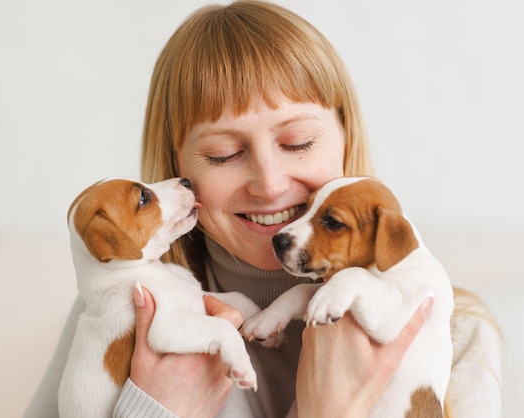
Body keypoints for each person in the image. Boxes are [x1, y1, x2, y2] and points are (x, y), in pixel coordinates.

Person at [25, 2, 503, 417]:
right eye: (224, 155)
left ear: (345, 139)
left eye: (297, 143)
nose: (270, 184)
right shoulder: (122, 312)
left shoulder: (450, 331)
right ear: (176, 170)